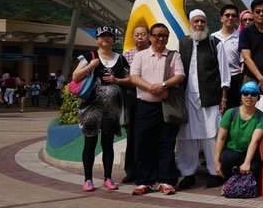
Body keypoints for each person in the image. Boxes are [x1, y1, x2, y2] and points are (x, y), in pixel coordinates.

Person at [128, 23, 185, 196]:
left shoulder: (174, 56)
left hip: (166, 108)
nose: (161, 38)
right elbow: (134, 77)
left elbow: (180, 76)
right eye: (157, 35)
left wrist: (162, 85)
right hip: (144, 107)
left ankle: (165, 180)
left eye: (164, 35)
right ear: (150, 37)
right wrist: (153, 89)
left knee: (166, 144)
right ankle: (144, 181)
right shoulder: (141, 56)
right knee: (143, 144)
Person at [71, 26, 130, 192]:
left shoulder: (121, 58)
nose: (106, 39)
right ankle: (88, 179)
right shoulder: (90, 56)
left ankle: (108, 177)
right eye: (102, 36)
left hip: (112, 109)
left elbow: (129, 79)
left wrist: (116, 80)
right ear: (97, 40)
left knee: (108, 144)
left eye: (109, 36)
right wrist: (91, 66)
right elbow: (75, 77)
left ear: (113, 39)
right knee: (90, 143)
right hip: (91, 108)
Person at [175, 10, 225, 190]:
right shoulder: (183, 43)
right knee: (186, 138)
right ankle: (188, 174)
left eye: (202, 21)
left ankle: (214, 172)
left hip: (210, 97)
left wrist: (223, 98)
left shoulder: (214, 43)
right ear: (190, 23)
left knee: (211, 136)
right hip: (187, 97)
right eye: (196, 21)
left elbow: (223, 73)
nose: (199, 25)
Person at [213, 81, 263, 184]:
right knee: (227, 158)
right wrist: (216, 162)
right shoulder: (230, 113)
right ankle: (228, 183)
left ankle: (247, 187)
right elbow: (221, 138)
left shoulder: (262, 117)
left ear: (258, 97)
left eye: (253, 94)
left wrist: (247, 162)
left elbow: (254, 141)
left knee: (255, 169)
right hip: (233, 151)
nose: (249, 96)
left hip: (251, 153)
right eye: (246, 93)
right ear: (241, 96)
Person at [122, 25, 150, 183]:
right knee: (132, 135)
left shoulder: (155, 52)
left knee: (149, 135)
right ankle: (131, 171)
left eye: (143, 34)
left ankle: (149, 169)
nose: (140, 37)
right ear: (132, 38)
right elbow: (127, 79)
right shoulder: (127, 55)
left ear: (149, 36)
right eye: (137, 35)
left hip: (151, 96)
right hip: (132, 97)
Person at [213, 5, 244, 110]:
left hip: (234, 79)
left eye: (233, 16)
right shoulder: (213, 38)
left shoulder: (241, 38)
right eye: (227, 15)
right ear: (221, 18)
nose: (230, 18)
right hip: (216, 79)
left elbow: (242, 62)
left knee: (233, 111)